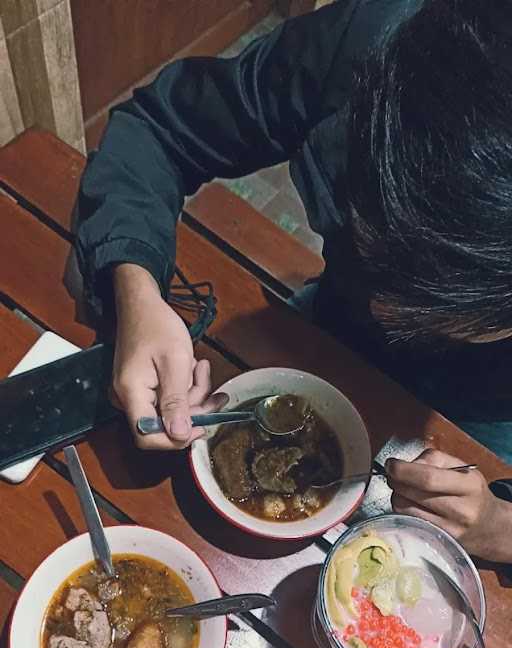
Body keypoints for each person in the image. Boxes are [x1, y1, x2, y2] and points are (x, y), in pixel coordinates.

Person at [75, 0, 512, 562]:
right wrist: (136, 292)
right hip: (327, 330)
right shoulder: (381, 44)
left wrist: (499, 529)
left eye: (438, 307)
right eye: (375, 241)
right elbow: (159, 130)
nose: (385, 311)